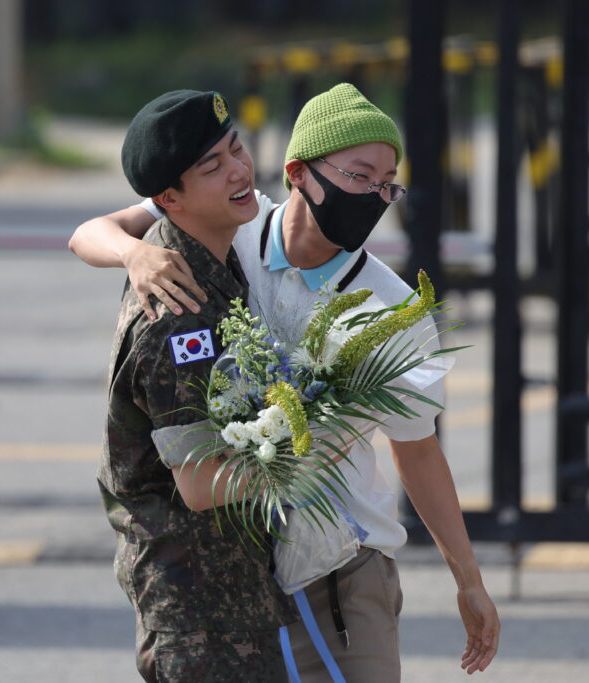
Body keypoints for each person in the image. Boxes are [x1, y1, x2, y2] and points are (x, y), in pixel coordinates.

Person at [71, 83, 500, 680]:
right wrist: (132, 254)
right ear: (301, 172)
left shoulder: (392, 311)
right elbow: (92, 230)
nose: (375, 196)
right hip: (238, 579)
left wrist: (469, 580)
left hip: (342, 573)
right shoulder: (231, 233)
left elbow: (418, 450)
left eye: (387, 183)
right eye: (358, 175)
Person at [94, 88, 294, 683]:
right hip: (200, 614)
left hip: (231, 596)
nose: (238, 170)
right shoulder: (178, 315)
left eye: (237, 148)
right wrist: (313, 452)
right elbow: (202, 483)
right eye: (213, 167)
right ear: (167, 199)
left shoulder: (208, 258)